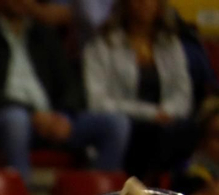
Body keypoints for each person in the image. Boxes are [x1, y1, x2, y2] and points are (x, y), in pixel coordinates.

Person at [0, 0, 132, 179]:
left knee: (116, 124)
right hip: (4, 120)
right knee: (16, 120)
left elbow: (70, 84)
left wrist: (64, 115)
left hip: (49, 119)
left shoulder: (44, 36)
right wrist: (32, 113)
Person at [83, 0, 196, 178]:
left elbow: (183, 93)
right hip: (127, 123)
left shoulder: (170, 44)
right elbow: (97, 101)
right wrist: (150, 113)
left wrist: (167, 111)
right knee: (152, 136)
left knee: (187, 131)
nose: (144, 3)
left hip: (166, 123)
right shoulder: (103, 45)